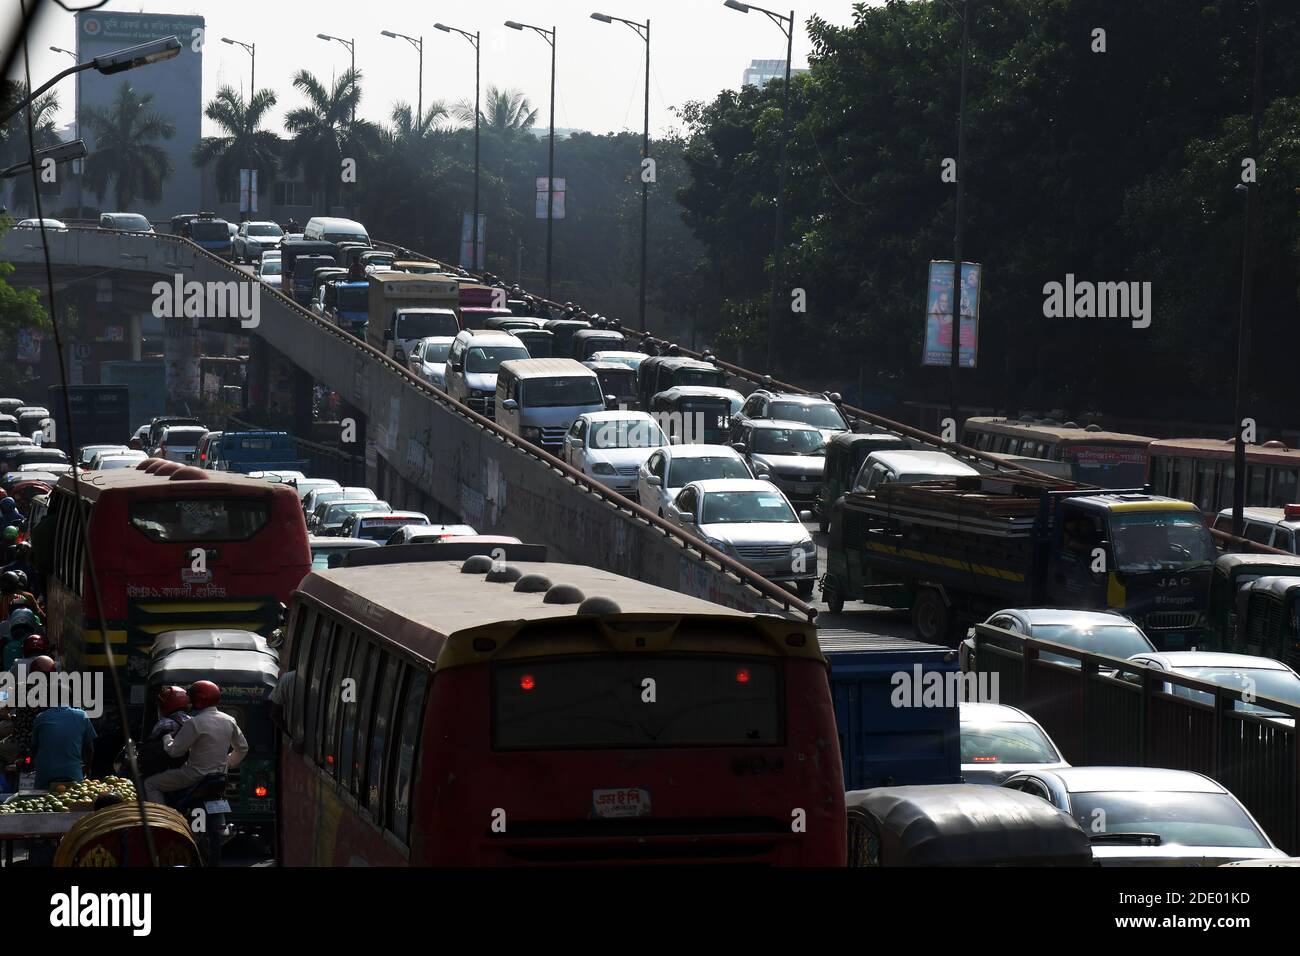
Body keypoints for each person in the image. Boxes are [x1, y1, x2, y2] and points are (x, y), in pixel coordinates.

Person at [144, 680, 248, 805]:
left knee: (150, 784)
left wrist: (166, 736)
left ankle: (162, 821)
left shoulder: (194, 723)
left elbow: (174, 752)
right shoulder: (229, 720)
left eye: (192, 697)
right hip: (220, 776)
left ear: (199, 700)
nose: (189, 701)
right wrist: (228, 763)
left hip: (193, 776)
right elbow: (242, 748)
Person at [30, 661, 95, 789]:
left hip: (45, 776)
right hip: (73, 775)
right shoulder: (82, 716)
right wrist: (87, 769)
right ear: (70, 699)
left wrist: (36, 766)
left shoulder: (41, 718)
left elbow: (34, 749)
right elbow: (89, 749)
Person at [137, 685, 192, 778]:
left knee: (147, 783)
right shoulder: (192, 721)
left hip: (165, 768)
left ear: (165, 705)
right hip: (186, 767)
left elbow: (150, 742)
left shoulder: (164, 723)